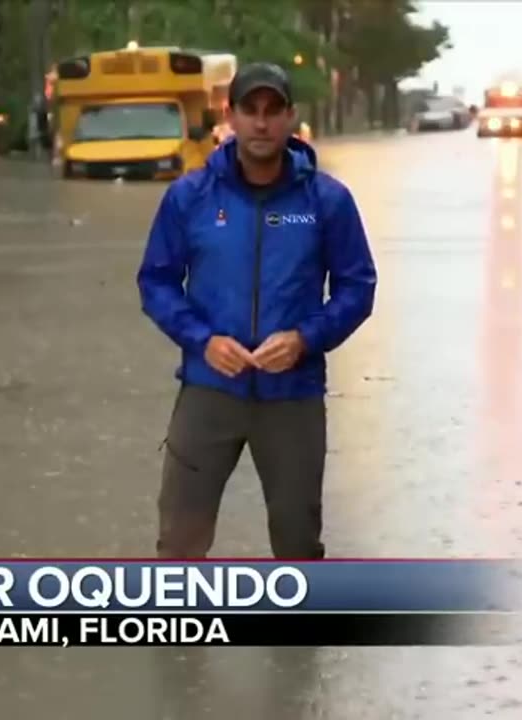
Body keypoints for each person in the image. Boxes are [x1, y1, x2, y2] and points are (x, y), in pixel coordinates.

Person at [136, 62, 377, 560]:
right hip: (208, 391)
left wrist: (305, 338)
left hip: (293, 397)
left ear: (290, 117)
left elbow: (358, 288)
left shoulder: (327, 201)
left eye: (273, 111)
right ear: (231, 116)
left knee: (297, 544)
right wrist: (202, 339)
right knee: (179, 543)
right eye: (251, 110)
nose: (261, 123)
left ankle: (296, 640)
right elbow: (155, 282)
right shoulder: (190, 196)